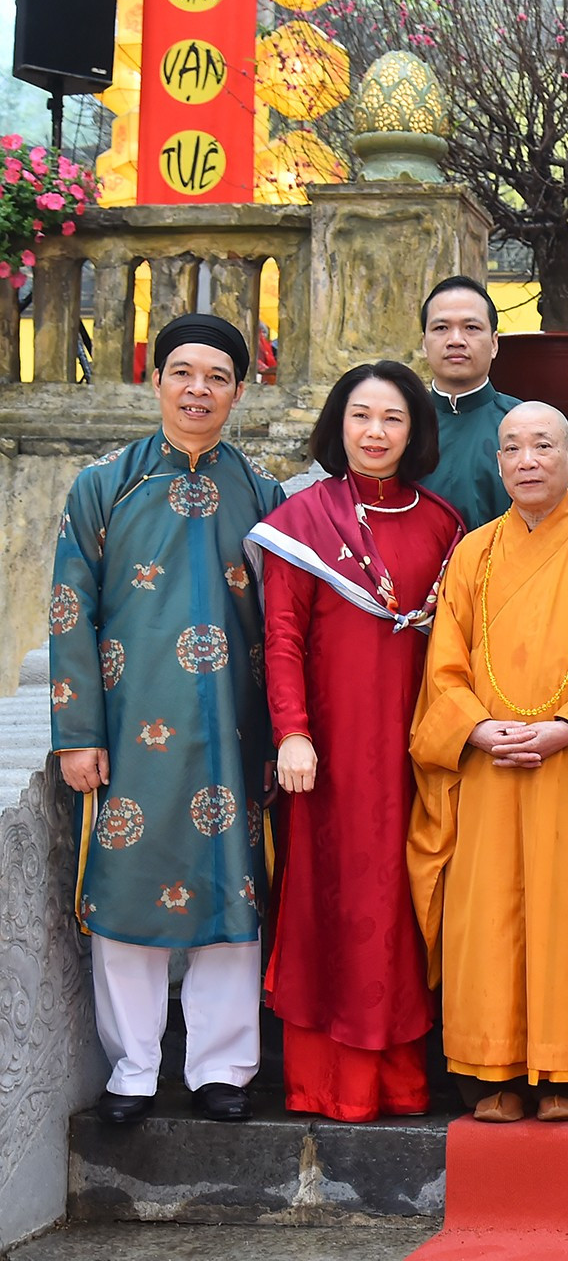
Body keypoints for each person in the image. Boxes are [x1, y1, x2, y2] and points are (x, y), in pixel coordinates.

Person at [49, 313, 284, 1125]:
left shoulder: (263, 494)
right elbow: (69, 610)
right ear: (156, 381)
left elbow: (283, 628)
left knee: (233, 891)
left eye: (217, 377)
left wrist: (279, 733)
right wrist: (78, 732)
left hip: (232, 731)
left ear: (239, 392)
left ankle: (222, 1067)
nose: (197, 390)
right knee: (125, 888)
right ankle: (134, 1069)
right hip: (129, 729)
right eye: (182, 372)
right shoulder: (103, 484)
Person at [408, 402, 568, 1123]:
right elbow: (442, 664)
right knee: (487, 914)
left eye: (544, 445)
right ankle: (491, 1070)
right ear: (498, 463)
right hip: (486, 764)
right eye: (512, 448)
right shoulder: (472, 553)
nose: (528, 460)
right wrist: (478, 730)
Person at [247, 361, 464, 1123]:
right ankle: (326, 1082)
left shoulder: (443, 524)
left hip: (417, 751)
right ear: (337, 426)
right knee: (330, 903)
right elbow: (281, 637)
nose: (375, 432)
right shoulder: (303, 520)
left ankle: (401, 1081)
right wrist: (292, 733)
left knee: (405, 901)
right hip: (329, 755)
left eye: (392, 418)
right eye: (361, 416)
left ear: (416, 430)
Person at [417, 275, 521, 531]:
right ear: (424, 344)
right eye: (441, 328)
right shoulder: (402, 425)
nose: (456, 340)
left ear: (494, 343)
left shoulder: (524, 423)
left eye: (471, 327)